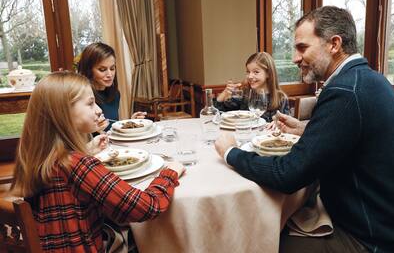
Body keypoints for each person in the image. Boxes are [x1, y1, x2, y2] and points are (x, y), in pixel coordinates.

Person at [214, 6, 394, 252]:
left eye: (302, 47)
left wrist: (230, 152)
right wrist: (305, 129)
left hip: (371, 239)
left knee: (261, 241)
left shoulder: (344, 92)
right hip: (387, 224)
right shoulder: (368, 79)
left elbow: (287, 175)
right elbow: (352, 134)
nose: (294, 58)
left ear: (334, 44)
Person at [10, 71, 185, 252]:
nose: (99, 110)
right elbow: (145, 207)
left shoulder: (40, 156)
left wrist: (86, 151)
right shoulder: (77, 165)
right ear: (63, 112)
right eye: (90, 103)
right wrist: (170, 172)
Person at [78, 42, 146, 130]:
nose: (110, 74)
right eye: (102, 70)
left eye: (112, 68)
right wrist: (95, 129)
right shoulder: (83, 97)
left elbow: (112, 126)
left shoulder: (115, 94)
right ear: (88, 70)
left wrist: (130, 122)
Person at [214, 52, 289, 122]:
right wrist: (225, 93)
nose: (250, 76)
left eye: (256, 72)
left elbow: (285, 125)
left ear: (268, 73)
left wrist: (278, 124)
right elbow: (218, 113)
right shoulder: (244, 95)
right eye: (248, 72)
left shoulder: (281, 99)